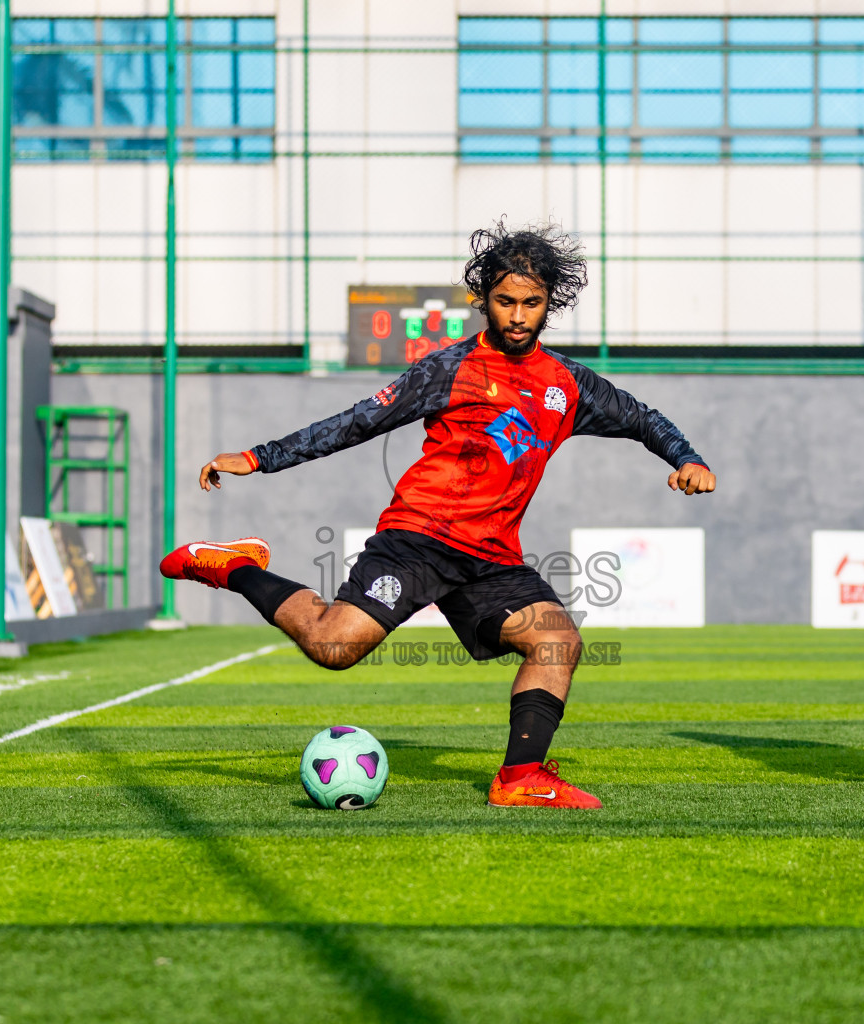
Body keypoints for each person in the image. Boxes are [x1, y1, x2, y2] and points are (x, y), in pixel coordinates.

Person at [161, 222, 715, 808]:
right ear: (484, 301)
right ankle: (234, 566)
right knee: (333, 648)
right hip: (419, 536)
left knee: (556, 642)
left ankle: (520, 778)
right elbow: (357, 422)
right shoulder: (448, 369)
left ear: (550, 302)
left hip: (492, 553)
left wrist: (687, 457)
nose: (519, 315)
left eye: (532, 303)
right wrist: (260, 457)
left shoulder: (568, 384)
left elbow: (643, 418)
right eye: (505, 302)